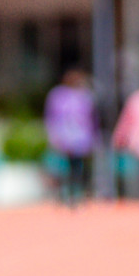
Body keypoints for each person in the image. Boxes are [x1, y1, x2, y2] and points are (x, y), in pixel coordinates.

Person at [44, 68, 97, 208]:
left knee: (78, 168)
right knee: (60, 168)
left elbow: (91, 118)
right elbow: (51, 117)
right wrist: (52, 135)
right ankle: (62, 195)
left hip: (80, 139)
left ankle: (76, 195)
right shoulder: (57, 95)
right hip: (62, 137)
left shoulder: (85, 95)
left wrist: (92, 137)